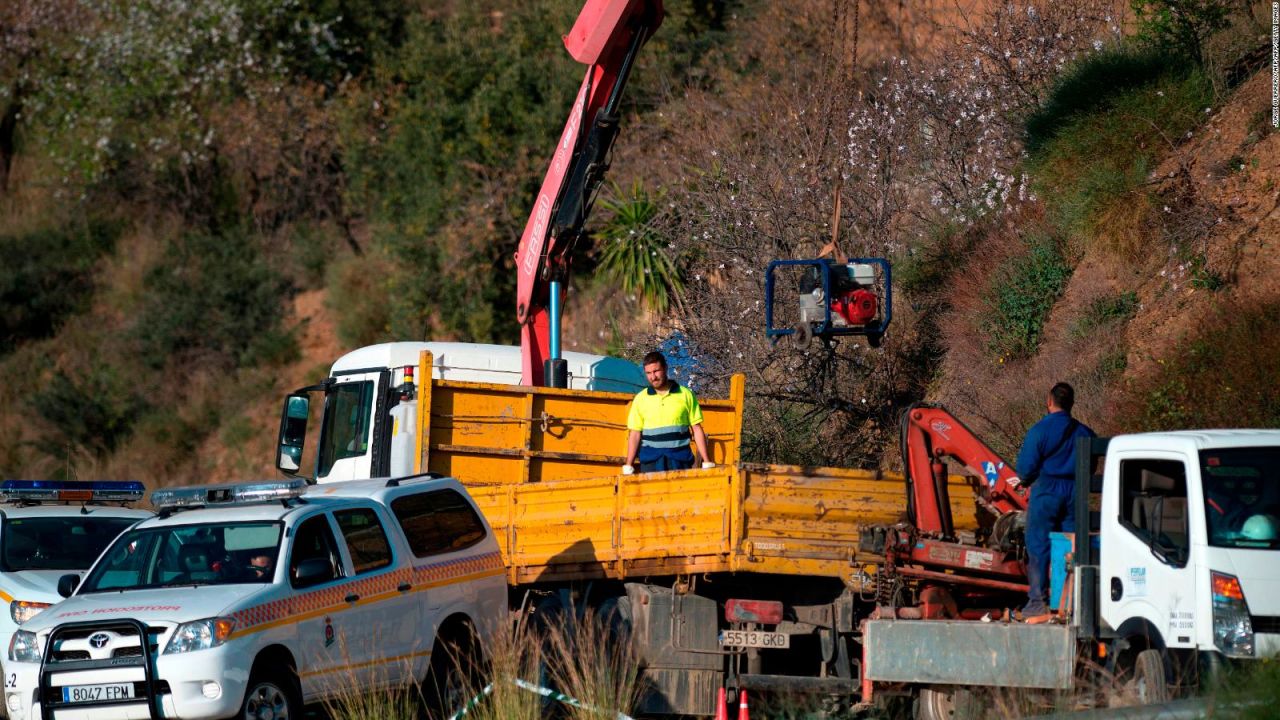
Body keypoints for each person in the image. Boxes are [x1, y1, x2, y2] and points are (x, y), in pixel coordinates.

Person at [1011, 382, 1095, 619]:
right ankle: (1068, 602)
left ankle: (1038, 602)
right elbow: (1091, 465)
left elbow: (1025, 470)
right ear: (1072, 403)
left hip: (1047, 490)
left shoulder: (1039, 431)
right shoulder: (1085, 433)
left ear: (1049, 401)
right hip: (1075, 492)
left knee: (1038, 544)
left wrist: (1026, 481)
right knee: (1071, 545)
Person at [622, 351, 715, 474]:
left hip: (680, 459)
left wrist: (707, 461)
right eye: (648, 373)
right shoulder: (640, 399)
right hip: (651, 462)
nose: (653, 377)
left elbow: (696, 429)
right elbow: (635, 434)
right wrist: (629, 465)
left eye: (656, 371)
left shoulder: (686, 394)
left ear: (665, 368)